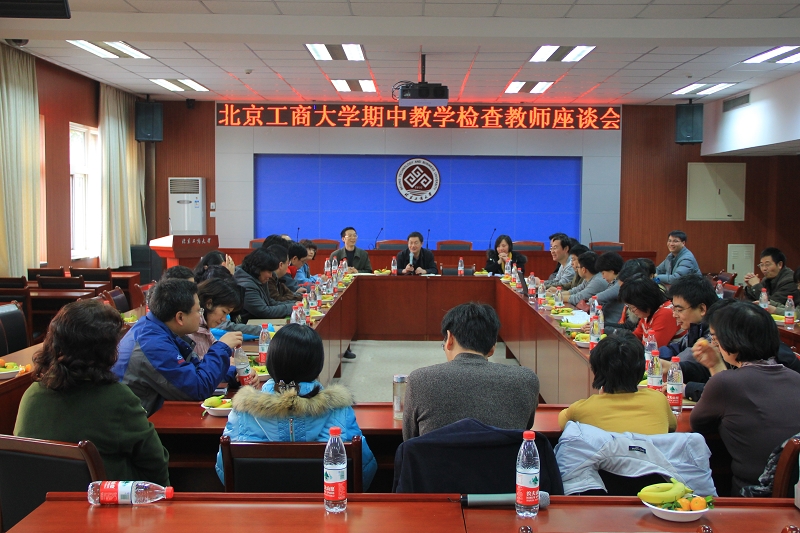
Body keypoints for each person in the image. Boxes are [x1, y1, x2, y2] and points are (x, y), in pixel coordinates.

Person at [14, 300, 170, 485]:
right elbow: (156, 463)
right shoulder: (117, 399)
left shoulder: (31, 395)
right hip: (104, 500)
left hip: (39, 500)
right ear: (106, 351)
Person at [215, 324, 377, 489]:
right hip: (328, 503)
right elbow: (362, 471)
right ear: (318, 365)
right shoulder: (339, 410)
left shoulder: (243, 411)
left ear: (271, 361)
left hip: (259, 504)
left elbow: (225, 471)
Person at [690, 302, 800, 495]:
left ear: (731, 341)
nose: (715, 344)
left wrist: (715, 368)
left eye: (716, 339)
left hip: (754, 493)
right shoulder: (796, 377)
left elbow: (699, 424)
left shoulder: (725, 382)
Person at [402, 302, 539, 440]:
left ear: (450, 339)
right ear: (493, 348)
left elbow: (409, 440)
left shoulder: (420, 380)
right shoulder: (526, 380)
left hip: (437, 455)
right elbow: (525, 431)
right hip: (504, 455)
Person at [114, 279, 249, 416]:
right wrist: (221, 347)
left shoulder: (158, 329)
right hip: (136, 422)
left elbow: (194, 370)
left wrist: (234, 373)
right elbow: (197, 389)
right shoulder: (152, 344)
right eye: (198, 310)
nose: (200, 315)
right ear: (180, 317)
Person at [558, 332, 676, 434]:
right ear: (641, 370)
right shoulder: (658, 400)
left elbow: (562, 422)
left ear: (596, 370)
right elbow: (672, 426)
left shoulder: (582, 409)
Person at [659, 275, 717, 362]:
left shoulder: (715, 335)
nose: (674, 315)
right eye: (674, 309)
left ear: (702, 309)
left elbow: (687, 361)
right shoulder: (697, 326)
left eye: (679, 310)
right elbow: (677, 348)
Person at [619, 276, 684, 348]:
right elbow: (636, 336)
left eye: (632, 307)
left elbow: (652, 349)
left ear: (644, 302)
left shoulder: (666, 313)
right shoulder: (647, 313)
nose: (631, 310)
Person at [234, 248, 294, 320]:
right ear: (258, 269)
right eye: (269, 272)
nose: (271, 276)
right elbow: (264, 311)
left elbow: (269, 302)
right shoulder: (246, 285)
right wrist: (291, 307)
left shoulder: (259, 277)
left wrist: (294, 304)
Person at [188, 278, 243, 358]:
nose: (224, 319)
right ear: (209, 304)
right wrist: (223, 345)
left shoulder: (205, 327)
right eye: (224, 312)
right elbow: (202, 364)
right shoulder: (191, 331)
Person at [591, 251, 625, 324]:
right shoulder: (613, 282)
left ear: (612, 271)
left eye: (603, 273)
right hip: (605, 322)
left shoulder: (620, 284)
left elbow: (597, 298)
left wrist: (589, 302)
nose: (603, 277)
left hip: (612, 324)